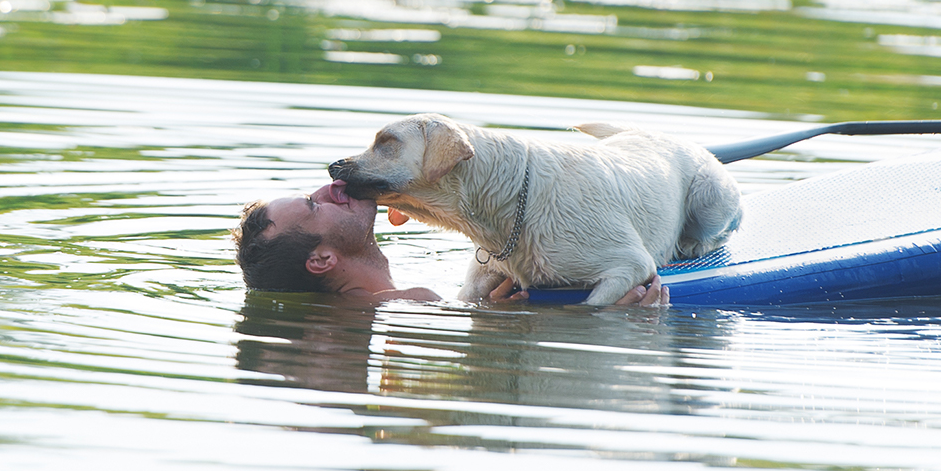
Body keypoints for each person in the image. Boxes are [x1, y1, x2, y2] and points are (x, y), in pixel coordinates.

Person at [235, 180, 670, 306]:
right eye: (313, 206)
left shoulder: (378, 306)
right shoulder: (412, 302)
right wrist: (619, 317)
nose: (333, 188)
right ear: (322, 260)